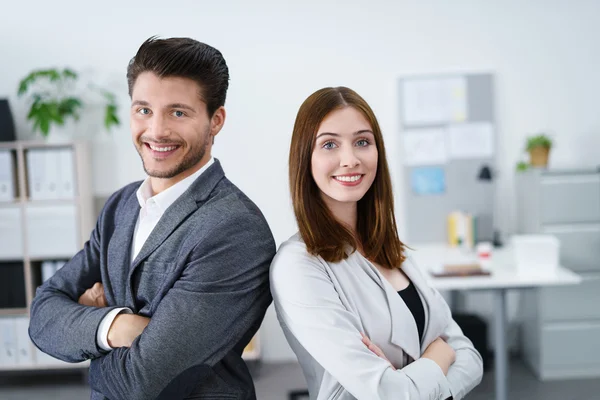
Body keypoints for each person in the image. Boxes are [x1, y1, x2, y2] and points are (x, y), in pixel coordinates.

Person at [29, 36, 275, 400]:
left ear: (216, 120)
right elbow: (43, 313)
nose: (156, 131)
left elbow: (142, 382)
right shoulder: (121, 206)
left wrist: (85, 332)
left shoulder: (235, 228)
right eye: (143, 110)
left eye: (178, 112)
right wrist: (118, 325)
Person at [270, 86, 483, 400]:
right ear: (305, 158)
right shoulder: (298, 264)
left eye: (362, 142)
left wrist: (410, 381)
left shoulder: (390, 249)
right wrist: (438, 356)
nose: (350, 159)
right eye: (329, 144)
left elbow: (469, 355)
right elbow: (389, 393)